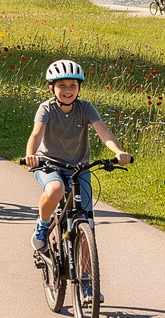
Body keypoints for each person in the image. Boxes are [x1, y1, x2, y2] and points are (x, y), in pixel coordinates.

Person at [24, 59, 131, 251]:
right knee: (55, 190)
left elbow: (104, 133)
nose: (68, 90)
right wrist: (31, 155)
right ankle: (43, 223)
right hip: (50, 163)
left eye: (73, 85)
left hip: (79, 166)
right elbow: (36, 134)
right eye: (62, 85)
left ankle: (85, 271)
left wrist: (119, 152)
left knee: (85, 216)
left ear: (79, 88)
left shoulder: (86, 108)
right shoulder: (46, 108)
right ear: (52, 88)